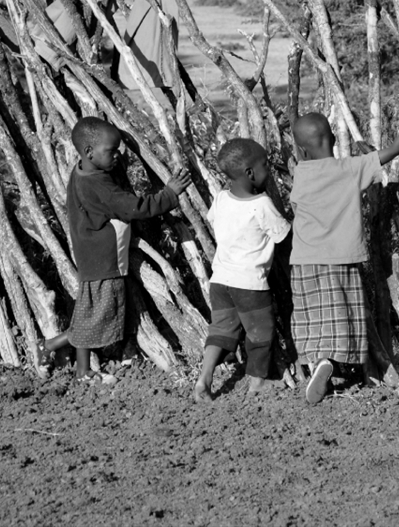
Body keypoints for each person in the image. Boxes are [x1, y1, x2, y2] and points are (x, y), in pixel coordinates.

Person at [290, 99, 399, 404]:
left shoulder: (301, 173)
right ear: (332, 139)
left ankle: (318, 361)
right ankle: (333, 360)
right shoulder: (351, 168)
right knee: (341, 312)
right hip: (342, 255)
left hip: (304, 258)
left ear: (301, 151)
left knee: (311, 315)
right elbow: (393, 150)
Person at [35, 117, 192, 382]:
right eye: (111, 151)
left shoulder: (83, 172)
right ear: (88, 152)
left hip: (92, 256)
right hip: (103, 260)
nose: (117, 156)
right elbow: (136, 208)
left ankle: (73, 362)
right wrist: (169, 194)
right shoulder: (99, 185)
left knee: (89, 315)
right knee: (93, 318)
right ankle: (59, 353)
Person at [193, 138, 290, 402]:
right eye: (265, 165)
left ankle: (205, 377)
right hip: (250, 284)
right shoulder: (262, 204)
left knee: (221, 330)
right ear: (250, 173)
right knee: (260, 334)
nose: (268, 169)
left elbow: (214, 220)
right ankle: (257, 383)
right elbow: (284, 237)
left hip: (221, 280)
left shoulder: (222, 198)